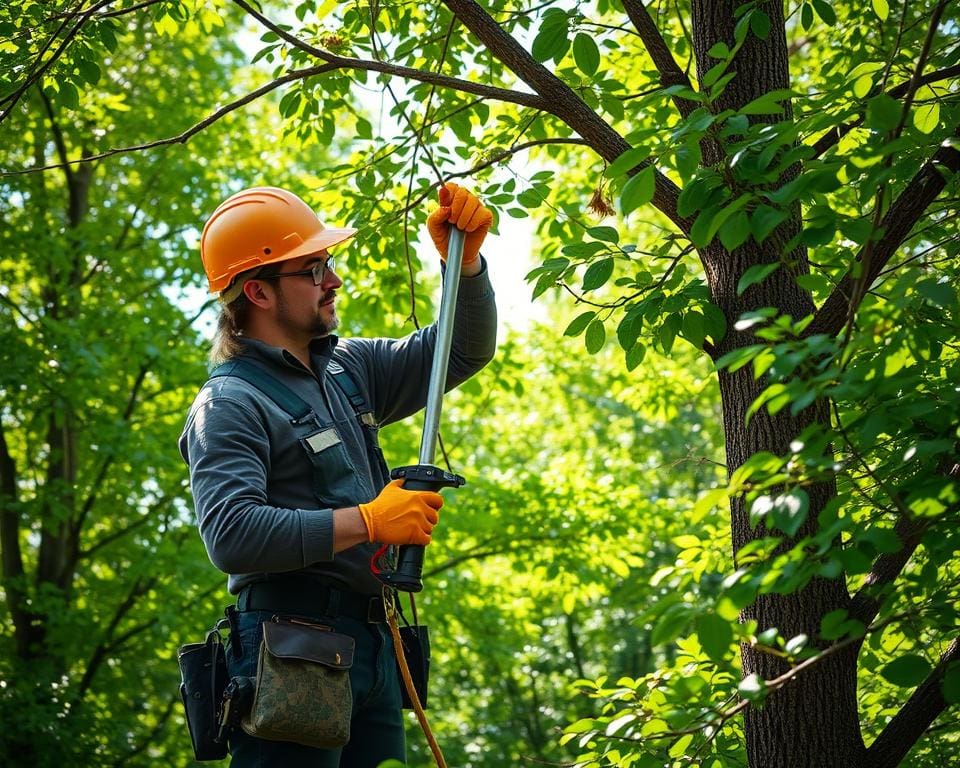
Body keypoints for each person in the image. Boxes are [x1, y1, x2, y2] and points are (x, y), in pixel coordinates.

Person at [179, 182, 497, 767]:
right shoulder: (230, 404)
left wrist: (466, 267)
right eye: (314, 268)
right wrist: (369, 520)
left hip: (374, 644)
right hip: (292, 650)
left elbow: (461, 351)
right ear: (258, 291)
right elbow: (231, 535)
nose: (334, 280)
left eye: (329, 263)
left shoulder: (348, 369)